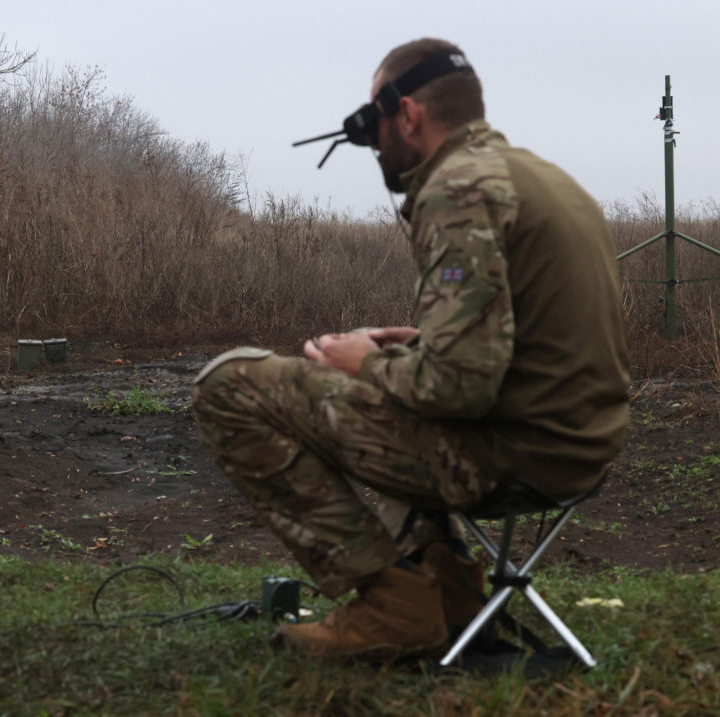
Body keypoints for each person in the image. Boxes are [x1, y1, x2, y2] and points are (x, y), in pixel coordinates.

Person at [192, 37, 629, 659]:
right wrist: (415, 344)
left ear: (408, 114)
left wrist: (364, 361)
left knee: (228, 384)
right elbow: (535, 340)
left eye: (374, 125)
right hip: (579, 447)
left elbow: (457, 389)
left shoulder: (458, 189)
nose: (375, 145)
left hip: (513, 457)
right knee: (385, 389)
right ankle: (446, 594)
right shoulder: (543, 178)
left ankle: (391, 604)